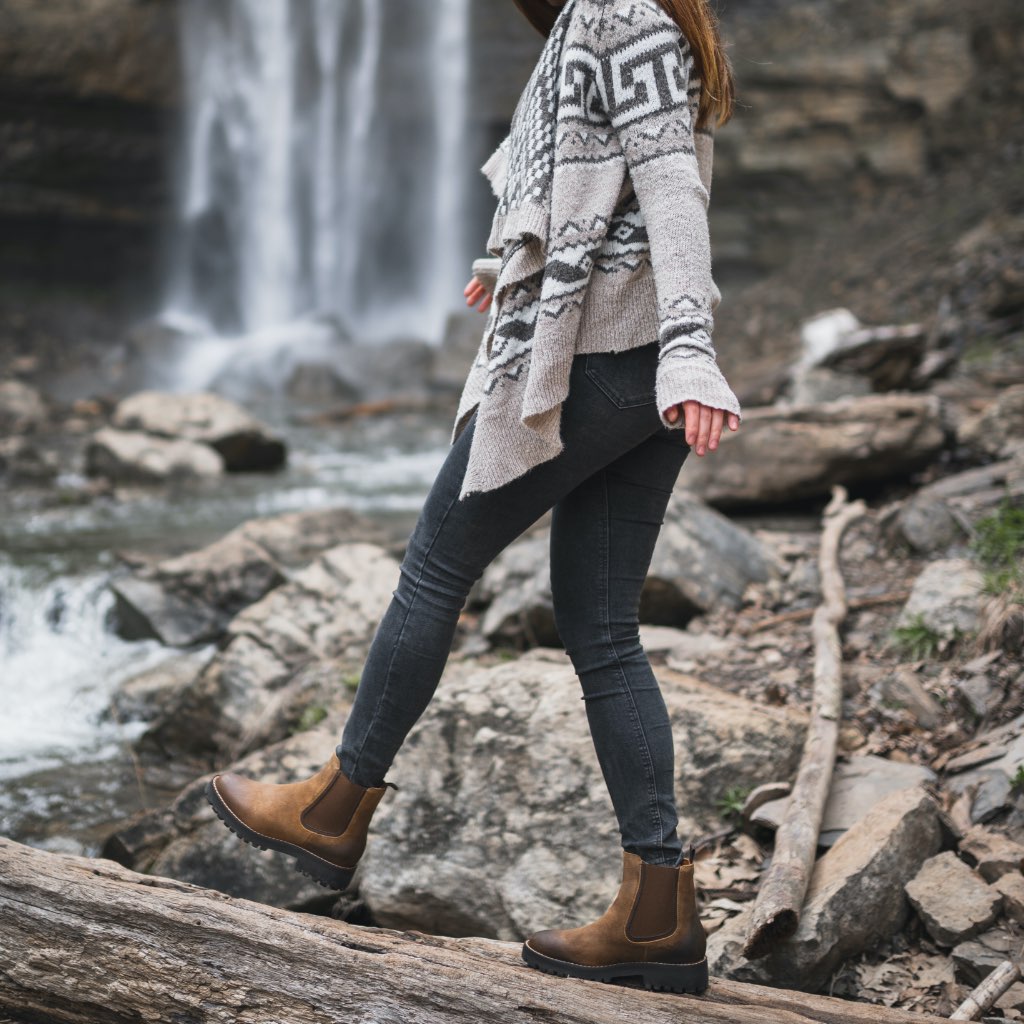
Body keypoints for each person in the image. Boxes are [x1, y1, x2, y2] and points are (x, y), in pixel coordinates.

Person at [206, 0, 740, 996]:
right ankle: (657, 909)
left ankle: (333, 806)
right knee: (603, 627)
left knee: (436, 565)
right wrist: (513, 256)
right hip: (634, 369)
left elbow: (672, 188)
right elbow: (617, 177)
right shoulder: (647, 20)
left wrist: (689, 348)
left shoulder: (621, 13)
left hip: (605, 360)